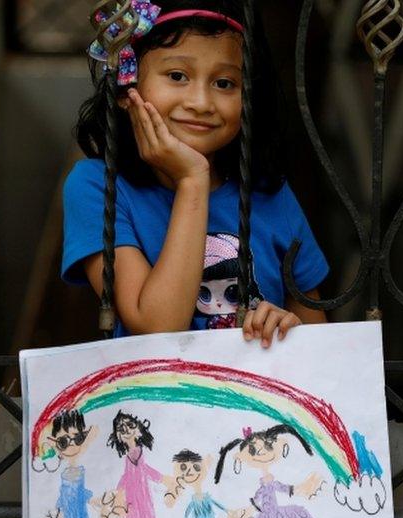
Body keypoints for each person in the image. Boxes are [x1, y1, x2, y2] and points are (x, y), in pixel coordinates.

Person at [62, 0, 329, 345]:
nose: (201, 102)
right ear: (126, 89)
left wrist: (287, 328)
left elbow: (322, 347)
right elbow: (157, 326)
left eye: (224, 83)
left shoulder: (269, 192)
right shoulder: (98, 187)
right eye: (177, 76)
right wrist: (192, 180)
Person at [215, 425, 323, 518]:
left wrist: (301, 488)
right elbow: (257, 499)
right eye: (253, 451)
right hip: (266, 516)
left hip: (277, 514)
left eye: (267, 446)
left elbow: (284, 488)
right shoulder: (263, 487)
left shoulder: (273, 483)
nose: (262, 452)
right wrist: (248, 511)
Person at [108, 411, 173, 518]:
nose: (126, 430)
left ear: (138, 429)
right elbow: (127, 476)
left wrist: (161, 478)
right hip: (132, 500)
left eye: (130, 425)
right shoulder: (129, 456)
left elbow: (145, 470)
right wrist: (119, 491)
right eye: (121, 429)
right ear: (118, 436)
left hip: (142, 499)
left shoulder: (138, 452)